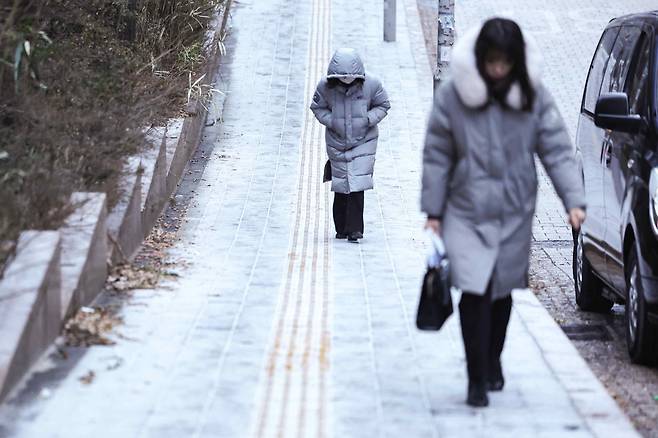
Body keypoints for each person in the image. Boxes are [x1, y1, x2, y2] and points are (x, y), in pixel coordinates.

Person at [421, 18, 586, 407]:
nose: (497, 69)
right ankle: (476, 377)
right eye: (491, 61)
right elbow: (437, 153)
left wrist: (573, 200)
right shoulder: (454, 95)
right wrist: (433, 209)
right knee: (473, 291)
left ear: (515, 61)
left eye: (504, 62)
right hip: (465, 208)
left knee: (500, 292)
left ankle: (492, 358)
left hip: (514, 210)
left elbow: (557, 148)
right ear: (480, 59)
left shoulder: (533, 95)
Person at [311, 48, 391, 242]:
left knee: (357, 184)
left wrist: (367, 119)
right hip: (337, 140)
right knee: (341, 183)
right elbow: (317, 107)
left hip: (364, 141)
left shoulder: (372, 84)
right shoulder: (325, 86)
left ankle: (355, 229)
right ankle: (341, 228)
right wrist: (332, 121)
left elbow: (383, 105)